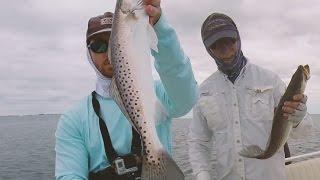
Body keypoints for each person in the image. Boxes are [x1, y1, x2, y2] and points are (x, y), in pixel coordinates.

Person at [55, 1, 199, 179]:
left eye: (113, 42)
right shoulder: (73, 119)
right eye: (98, 46)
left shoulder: (161, 93)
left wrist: (159, 25)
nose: (108, 52)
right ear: (88, 53)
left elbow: (187, 98)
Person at [188, 13, 313, 180]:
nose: (225, 49)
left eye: (229, 40)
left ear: (238, 38)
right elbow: (198, 142)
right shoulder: (203, 91)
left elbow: (303, 134)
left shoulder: (271, 81)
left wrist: (298, 119)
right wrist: (202, 174)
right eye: (216, 45)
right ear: (208, 50)